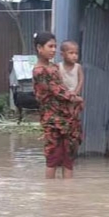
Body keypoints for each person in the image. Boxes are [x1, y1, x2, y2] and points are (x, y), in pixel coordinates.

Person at [33, 32, 83, 179]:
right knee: (53, 157)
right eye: (50, 46)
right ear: (39, 48)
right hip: (52, 120)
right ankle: (51, 195)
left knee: (69, 156)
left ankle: (65, 196)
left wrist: (73, 100)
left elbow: (63, 89)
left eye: (55, 46)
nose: (53, 49)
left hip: (68, 118)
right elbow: (58, 91)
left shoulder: (54, 67)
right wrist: (76, 98)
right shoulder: (39, 71)